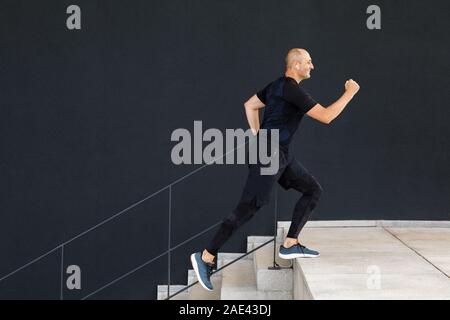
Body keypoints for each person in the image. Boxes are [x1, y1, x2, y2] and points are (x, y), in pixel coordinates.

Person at [190, 48, 360, 291]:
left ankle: (290, 243)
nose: (312, 66)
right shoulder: (292, 90)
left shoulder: (276, 86)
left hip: (279, 154)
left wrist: (259, 136)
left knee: (312, 190)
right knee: (249, 207)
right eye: (309, 62)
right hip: (269, 154)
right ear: (296, 65)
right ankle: (206, 256)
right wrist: (349, 93)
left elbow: (249, 105)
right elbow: (326, 116)